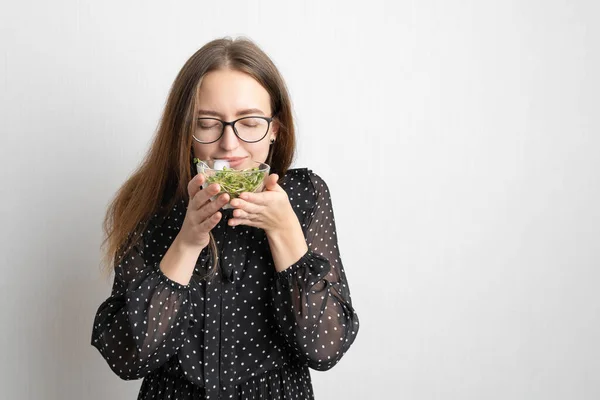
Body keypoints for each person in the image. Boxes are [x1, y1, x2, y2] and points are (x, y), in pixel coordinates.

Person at [91, 36, 360, 400]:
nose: (229, 146)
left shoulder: (305, 196)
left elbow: (325, 350)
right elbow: (129, 359)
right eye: (208, 123)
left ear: (275, 130)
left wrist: (286, 234)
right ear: (186, 132)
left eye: (249, 123)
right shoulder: (150, 203)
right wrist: (186, 242)